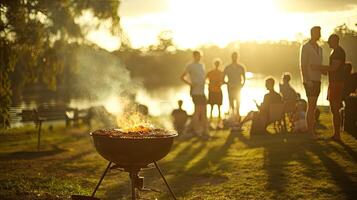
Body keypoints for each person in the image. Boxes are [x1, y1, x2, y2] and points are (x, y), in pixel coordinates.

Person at [312, 34, 346, 141]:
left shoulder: (338, 52)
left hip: (337, 83)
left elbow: (334, 68)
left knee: (335, 108)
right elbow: (332, 69)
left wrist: (318, 67)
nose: (328, 43)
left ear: (334, 41)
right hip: (333, 83)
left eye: (329, 41)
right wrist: (323, 70)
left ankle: (337, 135)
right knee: (333, 108)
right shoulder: (334, 52)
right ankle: (336, 134)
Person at [299, 26, 323, 138]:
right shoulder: (306, 47)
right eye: (318, 32)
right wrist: (306, 80)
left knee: (313, 106)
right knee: (311, 105)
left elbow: (318, 66)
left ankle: (311, 130)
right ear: (313, 33)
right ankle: (310, 132)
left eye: (320, 32)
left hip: (317, 80)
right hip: (310, 81)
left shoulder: (320, 48)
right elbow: (303, 65)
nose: (320, 34)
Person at [181, 50, 208, 135]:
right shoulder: (190, 65)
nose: (199, 57)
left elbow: (203, 77)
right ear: (194, 56)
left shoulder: (202, 65)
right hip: (195, 92)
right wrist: (191, 84)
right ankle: (195, 130)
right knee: (197, 112)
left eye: (200, 55)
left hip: (202, 91)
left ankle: (205, 131)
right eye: (197, 55)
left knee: (204, 112)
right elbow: (182, 77)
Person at [224, 52, 246, 121]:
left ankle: (238, 115)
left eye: (236, 57)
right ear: (231, 57)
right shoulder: (227, 67)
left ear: (237, 57)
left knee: (238, 101)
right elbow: (223, 78)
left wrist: (242, 84)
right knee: (231, 101)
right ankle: (233, 115)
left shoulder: (241, 67)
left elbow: (244, 77)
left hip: (238, 87)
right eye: (233, 56)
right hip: (230, 87)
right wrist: (227, 83)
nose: (234, 58)